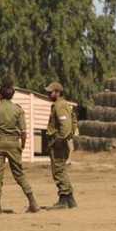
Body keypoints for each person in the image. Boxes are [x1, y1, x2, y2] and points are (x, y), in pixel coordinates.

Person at [0, 83, 40, 215]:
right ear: (12, 95)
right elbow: (23, 132)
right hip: (14, 144)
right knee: (19, 173)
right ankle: (33, 202)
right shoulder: (18, 109)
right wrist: (22, 145)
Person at [45, 81, 77, 209]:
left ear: (57, 92)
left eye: (50, 92)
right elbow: (74, 121)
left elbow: (66, 126)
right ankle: (70, 200)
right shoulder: (63, 105)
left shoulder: (59, 106)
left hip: (58, 143)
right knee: (61, 170)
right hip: (61, 142)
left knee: (58, 171)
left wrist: (60, 139)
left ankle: (63, 200)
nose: (47, 94)